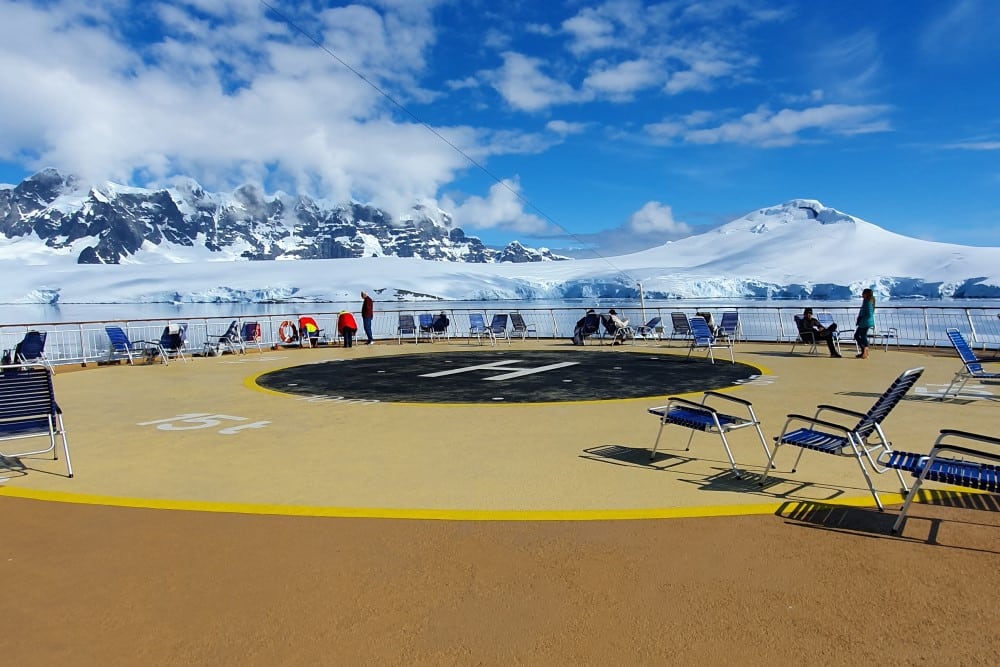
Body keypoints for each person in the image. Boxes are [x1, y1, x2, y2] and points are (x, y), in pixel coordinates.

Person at [853, 288, 876, 359]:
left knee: (860, 335)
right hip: (864, 322)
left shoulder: (867, 302)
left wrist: (861, 318)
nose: (862, 294)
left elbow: (869, 314)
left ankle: (865, 348)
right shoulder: (867, 301)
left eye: (863, 293)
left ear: (867, 294)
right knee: (860, 335)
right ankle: (864, 351)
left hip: (865, 323)